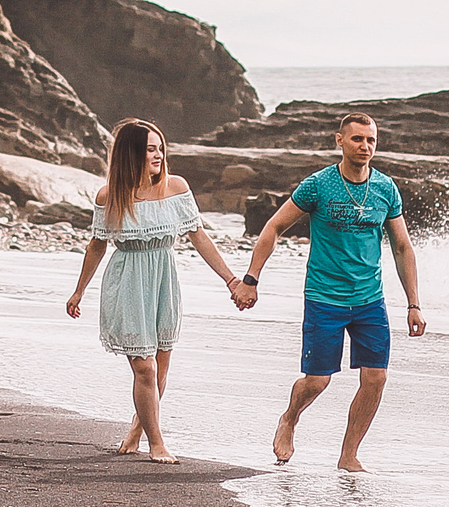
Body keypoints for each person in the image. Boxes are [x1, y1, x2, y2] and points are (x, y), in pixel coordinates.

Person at [66, 118, 257, 463]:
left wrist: (232, 281)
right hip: (127, 280)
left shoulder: (176, 188)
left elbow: (199, 236)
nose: (158, 154)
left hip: (164, 279)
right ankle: (158, 444)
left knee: (162, 367)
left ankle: (138, 431)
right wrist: (79, 291)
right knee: (145, 369)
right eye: (150, 149)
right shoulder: (110, 195)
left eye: (160, 148)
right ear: (131, 154)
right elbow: (97, 245)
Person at [241, 113, 425, 471]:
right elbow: (274, 227)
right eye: (357, 139)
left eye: (371, 140)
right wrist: (251, 279)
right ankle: (290, 418)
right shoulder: (318, 186)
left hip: (370, 299)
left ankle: (348, 455)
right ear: (339, 141)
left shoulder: (386, 188)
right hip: (324, 297)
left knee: (376, 377)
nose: (365, 147)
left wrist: (413, 303)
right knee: (317, 381)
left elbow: (402, 247)